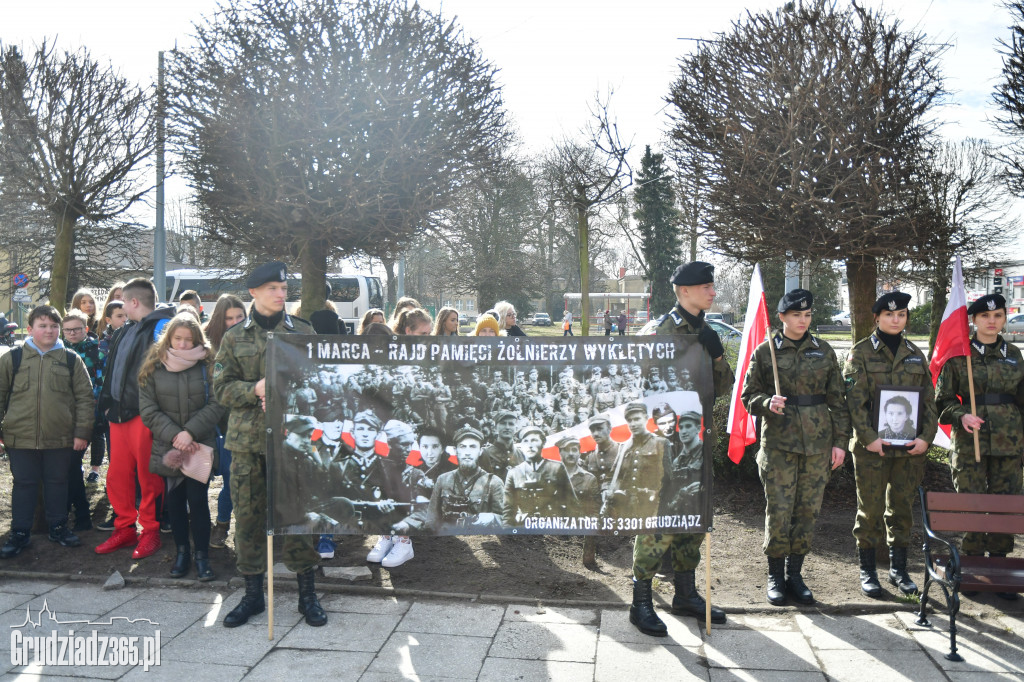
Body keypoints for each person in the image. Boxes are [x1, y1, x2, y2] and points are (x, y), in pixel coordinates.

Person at [214, 261, 326, 628]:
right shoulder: (234, 337)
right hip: (247, 445)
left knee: (298, 518)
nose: (281, 294)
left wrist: (295, 393)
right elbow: (220, 388)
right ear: (254, 293)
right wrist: (254, 389)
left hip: (293, 442)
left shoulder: (303, 332)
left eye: (284, 288)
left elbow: (323, 383)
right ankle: (252, 596)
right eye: (273, 288)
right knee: (247, 520)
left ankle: (307, 595)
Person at [630, 261, 732, 636]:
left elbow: (723, 388)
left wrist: (718, 355)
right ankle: (640, 600)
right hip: (664, 445)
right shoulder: (658, 332)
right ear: (684, 291)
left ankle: (685, 593)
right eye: (706, 286)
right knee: (658, 518)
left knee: (694, 513)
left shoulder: (706, 331)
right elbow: (637, 389)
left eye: (712, 286)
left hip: (699, 440)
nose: (712, 292)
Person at [741, 289, 850, 608]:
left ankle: (795, 575)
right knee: (779, 513)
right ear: (782, 318)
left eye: (807, 315)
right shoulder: (766, 352)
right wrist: (766, 402)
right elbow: (748, 396)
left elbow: (838, 402)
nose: (803, 321)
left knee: (807, 512)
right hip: (779, 447)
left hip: (817, 448)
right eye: (796, 315)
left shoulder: (824, 351)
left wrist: (840, 444)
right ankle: (775, 576)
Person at [844, 291, 937, 598]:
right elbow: (854, 403)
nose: (896, 320)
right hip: (873, 448)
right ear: (877, 318)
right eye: (889, 315)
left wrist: (927, 436)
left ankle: (899, 571)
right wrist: (869, 438)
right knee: (869, 510)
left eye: (901, 315)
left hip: (909, 448)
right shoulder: (860, 353)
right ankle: (868, 571)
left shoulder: (915, 353)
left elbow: (928, 400)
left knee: (901, 508)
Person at [935, 293, 1024, 601]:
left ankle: (1000, 570)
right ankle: (971, 566)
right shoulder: (959, 356)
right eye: (985, 316)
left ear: (1003, 319)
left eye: (998, 315)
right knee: (972, 502)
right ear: (973, 320)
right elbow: (941, 402)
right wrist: (961, 414)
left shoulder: (1014, 354)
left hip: (1009, 444)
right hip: (969, 441)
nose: (992, 321)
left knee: (1005, 505)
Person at [0, 305, 93, 559]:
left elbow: (85, 398)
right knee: (24, 485)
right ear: (30, 329)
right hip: (20, 437)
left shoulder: (71, 360)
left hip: (60, 437)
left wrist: (82, 432)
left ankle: (59, 527)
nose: (49, 330)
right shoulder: (13, 358)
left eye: (54, 326)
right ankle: (19, 532)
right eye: (43, 325)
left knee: (57, 483)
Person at [139, 313, 225, 582]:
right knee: (174, 503)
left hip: (199, 444)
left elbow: (217, 403)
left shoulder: (209, 365)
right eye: (178, 338)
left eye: (189, 339)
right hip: (169, 445)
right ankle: (182, 553)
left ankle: (202, 556)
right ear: (169, 338)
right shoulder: (154, 366)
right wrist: (177, 434)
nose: (184, 344)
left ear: (198, 339)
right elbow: (148, 410)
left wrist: (190, 432)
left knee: (198, 502)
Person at [96, 278, 176, 560]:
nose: (119, 306)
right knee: (118, 476)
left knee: (148, 476)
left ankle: (151, 531)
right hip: (118, 415)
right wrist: (106, 406)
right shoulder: (124, 330)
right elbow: (113, 371)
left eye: (123, 301)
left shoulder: (162, 328)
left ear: (133, 302)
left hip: (144, 416)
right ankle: (125, 527)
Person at [203, 294, 247, 550]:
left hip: (249, 423)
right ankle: (220, 525)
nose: (234, 322)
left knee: (242, 481)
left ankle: (242, 530)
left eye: (239, 317)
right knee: (228, 479)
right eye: (229, 318)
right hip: (220, 425)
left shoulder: (255, 341)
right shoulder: (211, 349)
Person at [61, 310, 104, 531]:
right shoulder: (58, 351)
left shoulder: (96, 351)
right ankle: (71, 510)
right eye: (68, 329)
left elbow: (99, 385)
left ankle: (81, 514)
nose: (73, 333)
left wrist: (92, 416)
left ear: (85, 329)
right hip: (62, 418)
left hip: (88, 416)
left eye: (77, 329)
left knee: (72, 464)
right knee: (68, 466)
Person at [420, 427, 503, 532]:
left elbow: (507, 521)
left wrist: (492, 518)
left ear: (480, 451)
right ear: (455, 451)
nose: (467, 452)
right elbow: (431, 521)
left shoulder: (494, 482)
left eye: (472, 447)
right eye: (463, 447)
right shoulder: (443, 480)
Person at [502, 425, 575, 526]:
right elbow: (508, 510)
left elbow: (571, 502)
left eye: (534, 440)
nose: (530, 445)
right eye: (525, 441)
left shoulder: (556, 468)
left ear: (543, 443)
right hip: (524, 527)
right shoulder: (514, 473)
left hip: (552, 525)